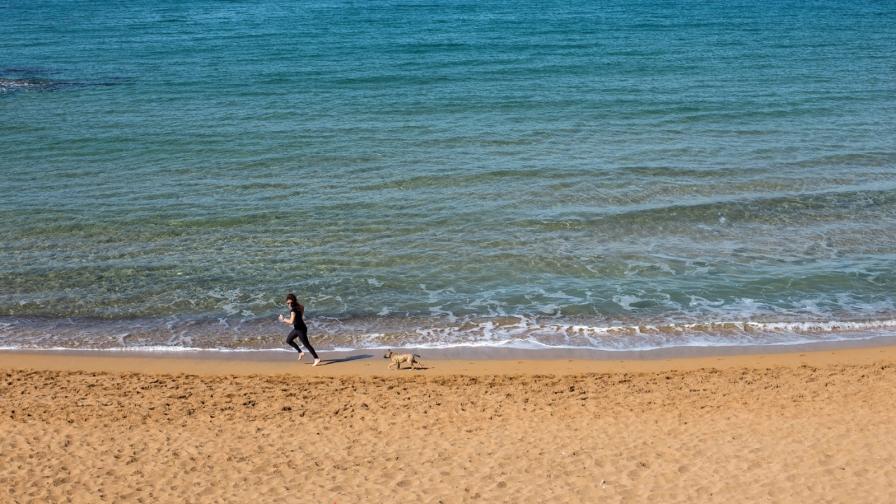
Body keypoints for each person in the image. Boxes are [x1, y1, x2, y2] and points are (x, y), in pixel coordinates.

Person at [278, 293, 320, 366]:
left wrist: (283, 319)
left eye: (289, 303)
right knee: (288, 340)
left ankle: (316, 358)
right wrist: (298, 318)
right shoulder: (300, 306)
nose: (288, 305)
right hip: (298, 328)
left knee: (307, 345)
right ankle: (300, 352)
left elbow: (291, 322)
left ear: (293, 302)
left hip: (300, 330)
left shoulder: (293, 311)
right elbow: (301, 313)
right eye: (287, 303)